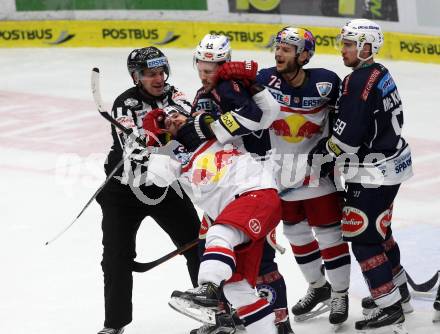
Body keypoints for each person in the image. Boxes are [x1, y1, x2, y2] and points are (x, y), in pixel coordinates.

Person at [219, 27, 351, 326]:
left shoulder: (327, 83)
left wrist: (339, 157)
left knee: (330, 236)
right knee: (296, 234)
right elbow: (242, 104)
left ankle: (340, 292)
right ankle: (319, 288)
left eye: (287, 49)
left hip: (319, 175)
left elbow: (348, 119)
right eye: (277, 47)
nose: (278, 53)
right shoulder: (267, 79)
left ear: (304, 55)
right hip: (280, 174)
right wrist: (235, 77)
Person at [308, 19, 413, 332]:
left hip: (373, 171)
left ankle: (389, 306)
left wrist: (319, 157)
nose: (344, 50)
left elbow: (347, 142)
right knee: (381, 231)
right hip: (392, 163)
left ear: (368, 47)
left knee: (363, 236)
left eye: (350, 44)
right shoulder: (379, 73)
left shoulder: (356, 82)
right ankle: (399, 290)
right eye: (344, 44)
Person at [143, 104, 282, 334]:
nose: (173, 121)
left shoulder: (212, 130)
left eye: (175, 115)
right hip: (236, 210)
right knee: (237, 288)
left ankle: (207, 288)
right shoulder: (175, 157)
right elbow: (157, 179)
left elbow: (261, 112)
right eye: (167, 123)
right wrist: (153, 142)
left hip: (255, 193)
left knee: (217, 234)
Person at [189, 34, 294, 334]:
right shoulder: (208, 91)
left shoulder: (229, 87)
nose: (205, 73)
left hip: (251, 186)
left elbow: (264, 117)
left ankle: (280, 322)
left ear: (224, 66)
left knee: (262, 260)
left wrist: (211, 127)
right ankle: (225, 319)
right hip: (224, 186)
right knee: (211, 247)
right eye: (202, 66)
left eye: (212, 68)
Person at [95, 46, 201, 334]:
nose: (158, 79)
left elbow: (187, 128)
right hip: (123, 193)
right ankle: (114, 324)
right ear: (136, 77)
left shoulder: (175, 95)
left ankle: (216, 312)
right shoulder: (123, 104)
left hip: (164, 188)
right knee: (116, 259)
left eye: (161, 72)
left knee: (197, 244)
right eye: (150, 74)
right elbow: (134, 149)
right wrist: (152, 137)